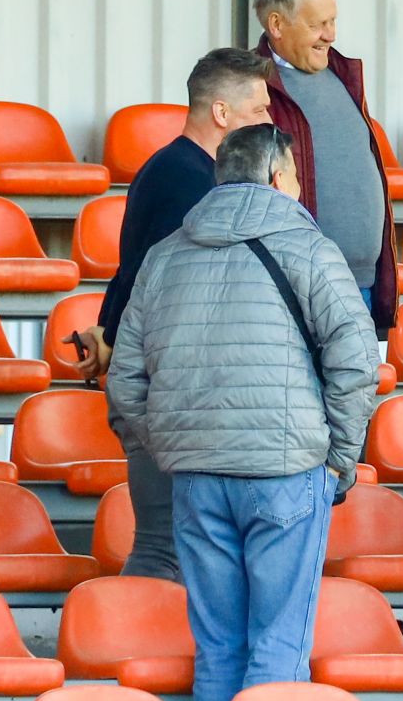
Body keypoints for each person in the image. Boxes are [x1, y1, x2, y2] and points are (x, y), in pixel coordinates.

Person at [107, 124, 380, 701]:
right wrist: (338, 458)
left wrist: (172, 446)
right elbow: (357, 361)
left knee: (219, 649)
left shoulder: (164, 256)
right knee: (278, 647)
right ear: (278, 177)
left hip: (196, 478)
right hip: (287, 470)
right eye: (297, 176)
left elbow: (125, 379)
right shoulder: (311, 249)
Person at [75, 48, 273, 581]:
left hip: (169, 386)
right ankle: (131, 631)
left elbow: (133, 271)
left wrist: (107, 330)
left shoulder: (178, 170)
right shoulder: (186, 180)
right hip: (165, 389)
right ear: (222, 113)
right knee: (163, 549)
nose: (268, 121)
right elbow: (157, 284)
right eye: (258, 110)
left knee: (180, 550)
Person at [252, 0, 398, 330]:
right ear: (276, 25)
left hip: (361, 285)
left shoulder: (343, 76)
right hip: (298, 289)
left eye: (332, 21)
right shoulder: (249, 89)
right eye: (317, 24)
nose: (330, 35)